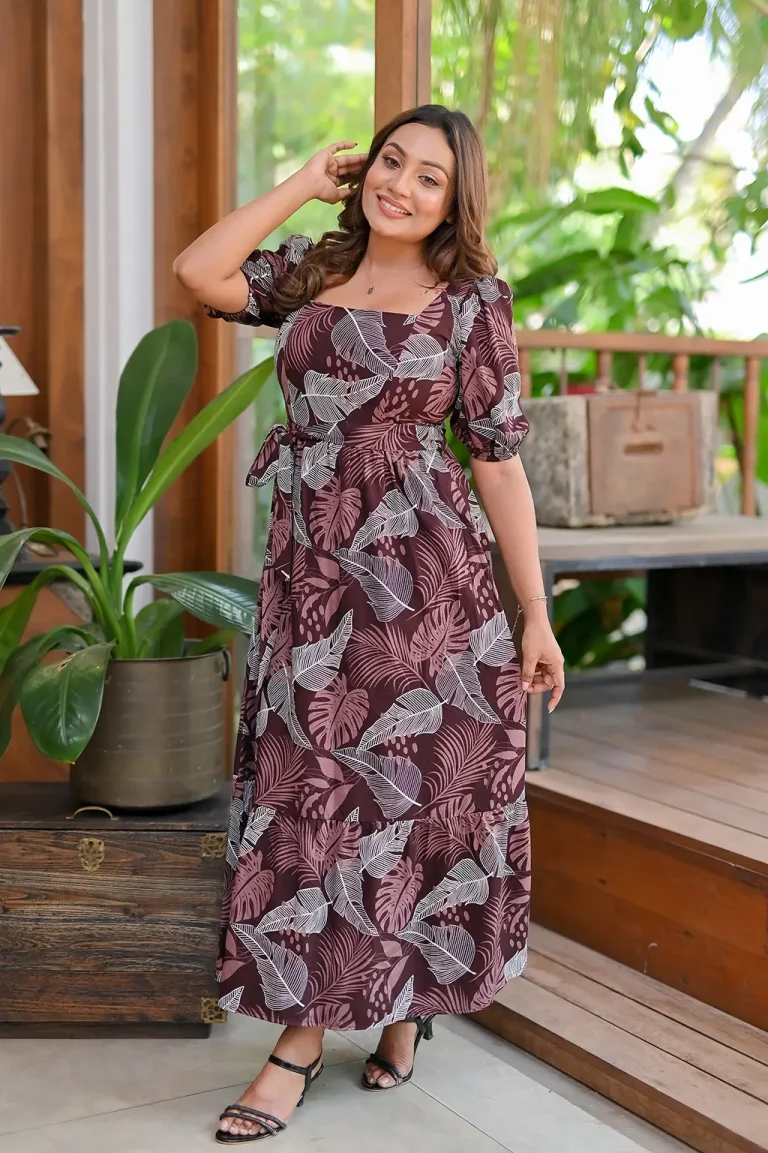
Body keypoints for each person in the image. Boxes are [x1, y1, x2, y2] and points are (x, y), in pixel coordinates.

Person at [174, 103, 565, 1145]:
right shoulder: (315, 268)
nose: (400, 184)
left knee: (413, 801)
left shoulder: (472, 303)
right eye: (391, 161)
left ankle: (324, 1034)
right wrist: (304, 182)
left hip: (427, 589)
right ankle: (358, 1019)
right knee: (309, 795)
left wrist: (535, 613)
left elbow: (498, 463)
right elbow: (200, 272)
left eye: (429, 176)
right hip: (310, 580)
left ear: (455, 200)